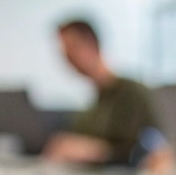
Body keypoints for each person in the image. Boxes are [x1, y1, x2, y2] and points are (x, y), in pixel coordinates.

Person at [43, 19, 160, 166]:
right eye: (64, 52)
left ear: (91, 44)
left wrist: (95, 151)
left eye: (72, 48)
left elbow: (141, 151)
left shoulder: (133, 93)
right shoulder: (94, 103)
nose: (68, 59)